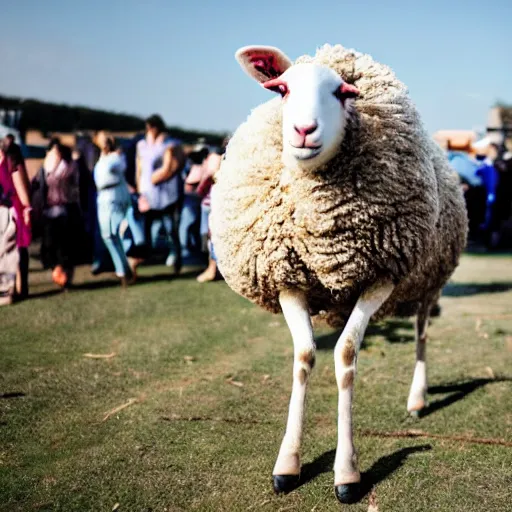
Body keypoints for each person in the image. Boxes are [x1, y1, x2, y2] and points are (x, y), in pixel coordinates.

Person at [136, 115, 186, 274]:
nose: (149, 131)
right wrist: (139, 189)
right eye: (148, 128)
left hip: (167, 195)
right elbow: (140, 168)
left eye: (152, 127)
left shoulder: (170, 144)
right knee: (146, 229)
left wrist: (158, 177)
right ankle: (147, 258)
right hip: (148, 194)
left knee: (171, 229)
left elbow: (173, 166)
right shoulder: (142, 145)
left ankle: (176, 261)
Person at [39, 139, 80, 289]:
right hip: (49, 211)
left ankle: (66, 277)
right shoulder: (46, 166)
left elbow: (58, 179)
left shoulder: (68, 166)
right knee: (50, 246)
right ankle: (59, 272)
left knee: (65, 247)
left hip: (65, 210)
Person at [93, 134, 133, 286]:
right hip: (102, 197)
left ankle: (126, 267)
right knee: (108, 235)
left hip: (115, 196)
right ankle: (122, 269)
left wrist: (115, 155)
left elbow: (119, 167)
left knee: (119, 231)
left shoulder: (116, 158)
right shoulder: (101, 160)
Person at [0, 140, 31, 305]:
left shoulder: (10, 165)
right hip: (6, 209)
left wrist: (27, 209)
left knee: (14, 250)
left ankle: (15, 290)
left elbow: (20, 189)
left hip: (12, 210)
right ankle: (14, 289)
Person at [195, 142, 226, 283]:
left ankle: (213, 269)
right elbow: (200, 190)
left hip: (215, 208)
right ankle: (212, 268)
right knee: (208, 239)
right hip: (209, 207)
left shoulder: (222, 174)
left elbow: (200, 190)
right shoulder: (214, 170)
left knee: (213, 239)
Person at [179, 145, 209, 263]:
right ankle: (187, 251)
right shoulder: (198, 168)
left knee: (190, 227)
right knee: (189, 226)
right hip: (193, 201)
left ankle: (190, 252)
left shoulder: (196, 168)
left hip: (194, 201)